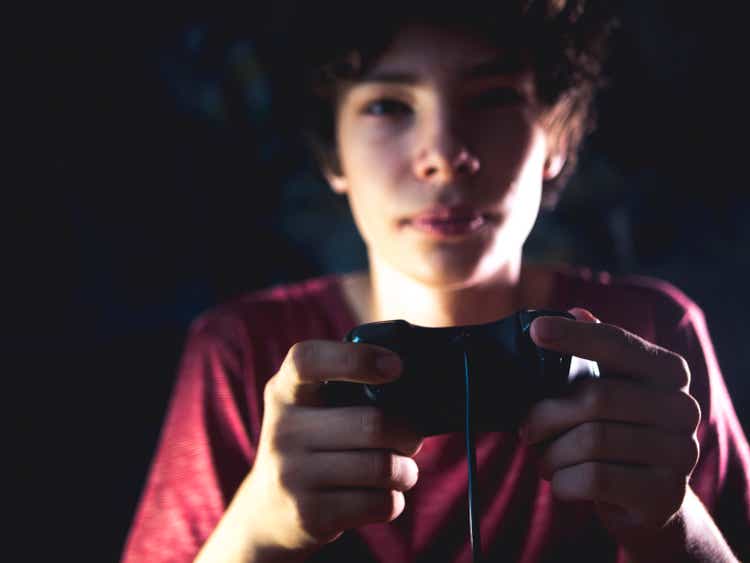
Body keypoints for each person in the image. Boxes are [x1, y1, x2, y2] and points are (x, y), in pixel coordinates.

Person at [123, 2, 750, 561]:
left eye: (495, 96)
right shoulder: (243, 354)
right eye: (388, 105)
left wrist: (674, 522)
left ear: (556, 136)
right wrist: (257, 530)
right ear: (332, 155)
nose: (445, 153)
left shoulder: (651, 338)